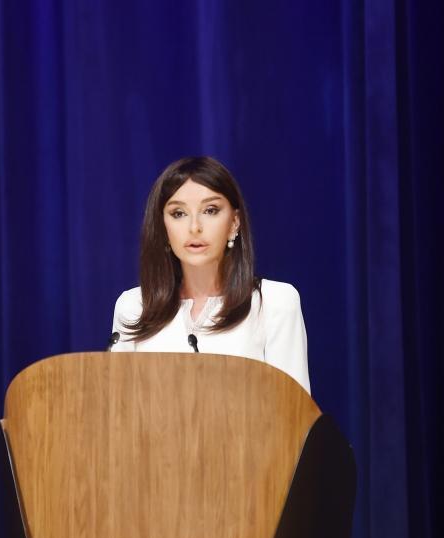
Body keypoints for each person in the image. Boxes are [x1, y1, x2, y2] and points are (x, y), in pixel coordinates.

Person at [111, 156, 310, 394]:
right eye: (178, 213)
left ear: (234, 222)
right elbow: (118, 418)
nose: (195, 227)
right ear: (163, 228)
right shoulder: (134, 307)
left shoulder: (274, 303)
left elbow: (295, 419)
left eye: (210, 210)